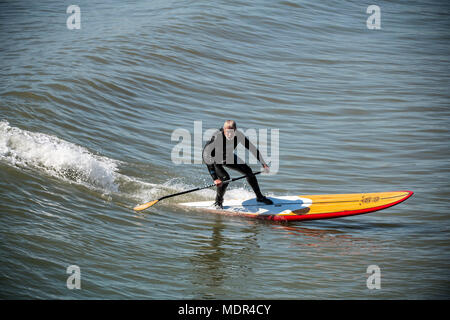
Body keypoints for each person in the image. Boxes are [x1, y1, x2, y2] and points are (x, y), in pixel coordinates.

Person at [202, 120, 273, 209]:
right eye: (227, 132)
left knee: (248, 171)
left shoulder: (239, 136)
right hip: (214, 159)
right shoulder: (217, 137)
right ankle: (218, 202)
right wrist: (215, 178)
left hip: (228, 156)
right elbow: (206, 155)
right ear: (223, 129)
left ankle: (259, 197)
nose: (229, 134)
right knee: (225, 179)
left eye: (232, 132)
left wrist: (263, 163)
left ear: (235, 130)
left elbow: (252, 149)